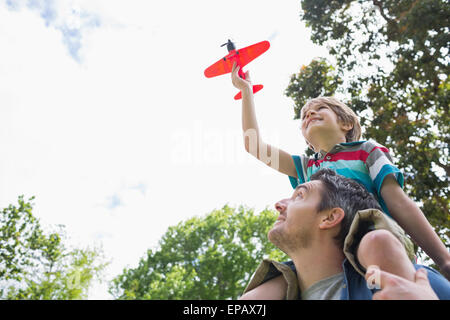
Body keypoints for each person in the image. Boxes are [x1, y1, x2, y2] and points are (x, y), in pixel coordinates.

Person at [230, 62, 450, 293]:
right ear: (306, 139)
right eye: (304, 116)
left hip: (369, 231)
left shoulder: (366, 151)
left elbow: (397, 201)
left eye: (320, 108)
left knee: (375, 246)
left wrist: (443, 259)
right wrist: (246, 92)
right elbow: (254, 145)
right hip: (319, 251)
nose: (310, 114)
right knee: (265, 290)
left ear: (346, 123)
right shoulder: (306, 167)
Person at [239, 169, 450, 300]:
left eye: (300, 195)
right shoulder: (267, 293)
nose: (279, 204)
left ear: (329, 218)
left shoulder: (413, 283)